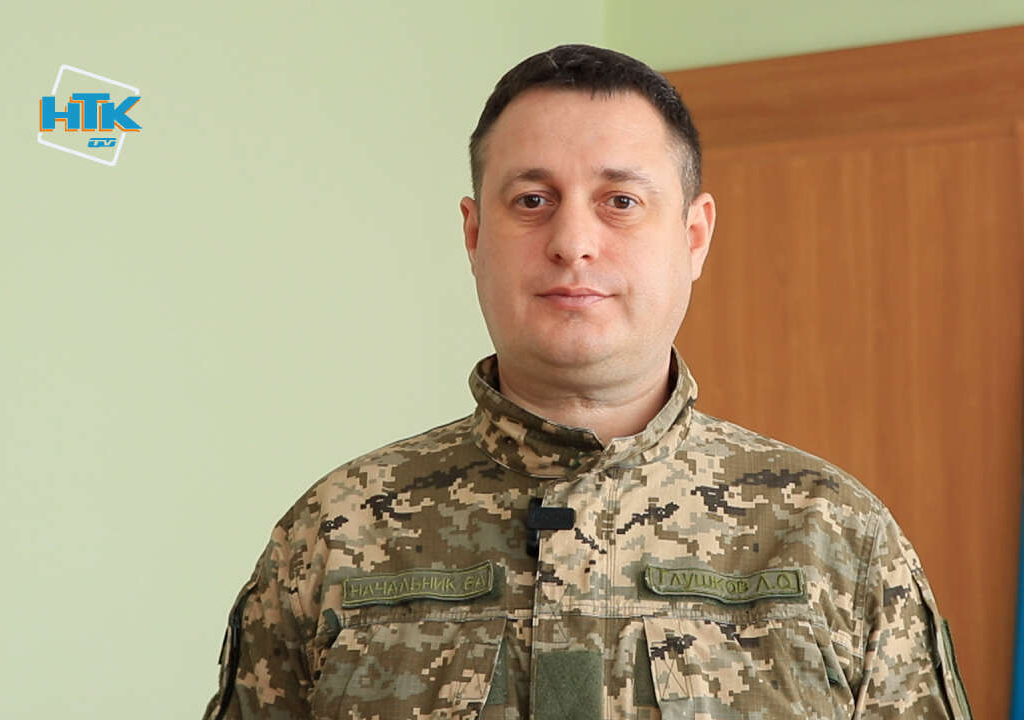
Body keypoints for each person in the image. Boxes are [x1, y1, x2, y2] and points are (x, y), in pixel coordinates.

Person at [202, 43, 972, 720]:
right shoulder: (335, 533)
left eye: (621, 202)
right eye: (532, 201)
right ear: (474, 234)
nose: (573, 241)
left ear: (694, 236)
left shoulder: (836, 537)